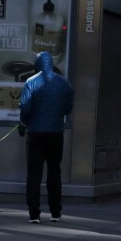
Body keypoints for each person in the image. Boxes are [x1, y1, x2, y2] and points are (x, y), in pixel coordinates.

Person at [19, 51, 74, 224]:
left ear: (38, 64)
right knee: (54, 172)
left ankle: (34, 213)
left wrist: (24, 122)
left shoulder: (31, 82)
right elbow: (67, 108)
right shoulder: (64, 83)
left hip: (35, 133)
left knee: (34, 173)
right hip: (56, 134)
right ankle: (55, 212)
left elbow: (25, 107)